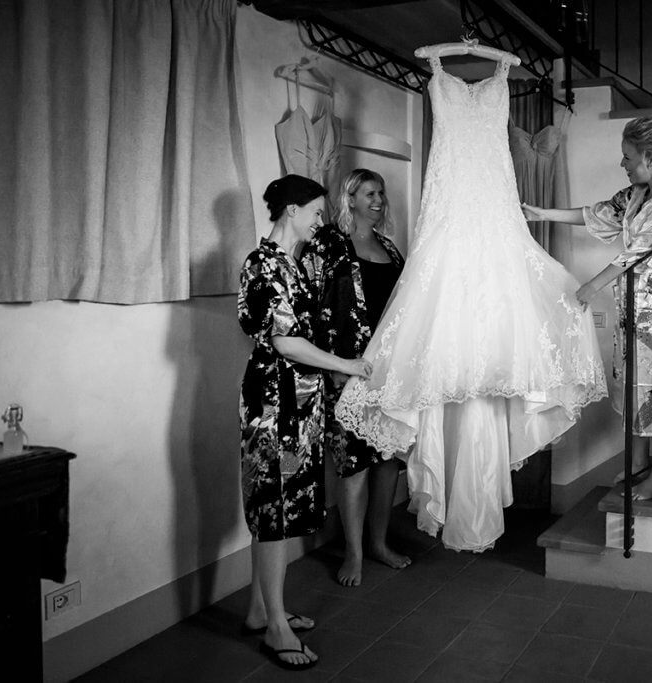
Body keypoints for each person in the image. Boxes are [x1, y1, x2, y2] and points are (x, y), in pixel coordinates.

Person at [335, 50, 607, 553]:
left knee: (489, 343)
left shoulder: (493, 77)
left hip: (487, 216)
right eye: (367, 194)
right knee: (450, 361)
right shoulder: (441, 79)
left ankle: (448, 509)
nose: (376, 199)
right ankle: (379, 536)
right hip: (453, 213)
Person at [237, 174, 371, 670]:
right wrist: (348, 366)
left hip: (298, 407)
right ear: (291, 210)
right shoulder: (264, 263)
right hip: (274, 408)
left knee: (282, 509)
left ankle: (259, 609)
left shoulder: (289, 265)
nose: (321, 220)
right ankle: (274, 628)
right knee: (274, 512)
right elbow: (285, 341)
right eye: (316, 212)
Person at [521, 114, 652, 501]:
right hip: (633, 303)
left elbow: (637, 252)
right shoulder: (636, 194)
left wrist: (590, 287)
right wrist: (543, 214)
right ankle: (637, 465)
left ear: (649, 158)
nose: (623, 164)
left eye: (628, 157)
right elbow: (596, 213)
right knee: (634, 385)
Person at [302, 169, 411, 586]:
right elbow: (309, 304)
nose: (379, 200)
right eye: (369, 193)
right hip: (345, 371)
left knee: (387, 461)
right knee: (353, 465)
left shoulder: (390, 249)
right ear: (349, 199)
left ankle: (379, 543)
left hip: (389, 372)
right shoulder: (329, 244)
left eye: (381, 192)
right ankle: (353, 553)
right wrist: (329, 365)